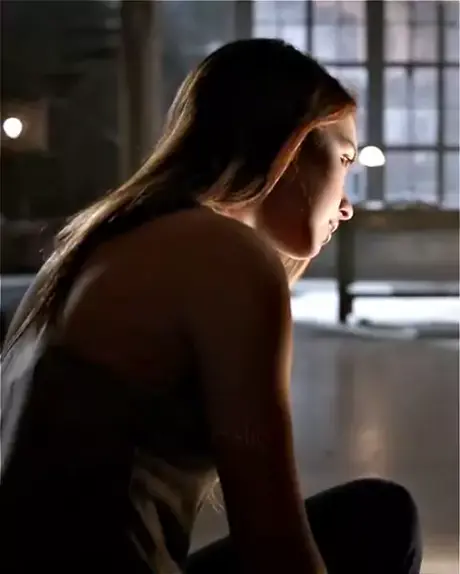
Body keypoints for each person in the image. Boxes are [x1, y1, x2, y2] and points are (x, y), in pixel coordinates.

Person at [0, 39, 421, 574]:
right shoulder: (226, 257)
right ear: (290, 147)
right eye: (343, 159)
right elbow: (273, 543)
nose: (347, 205)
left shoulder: (102, 242)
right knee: (380, 521)